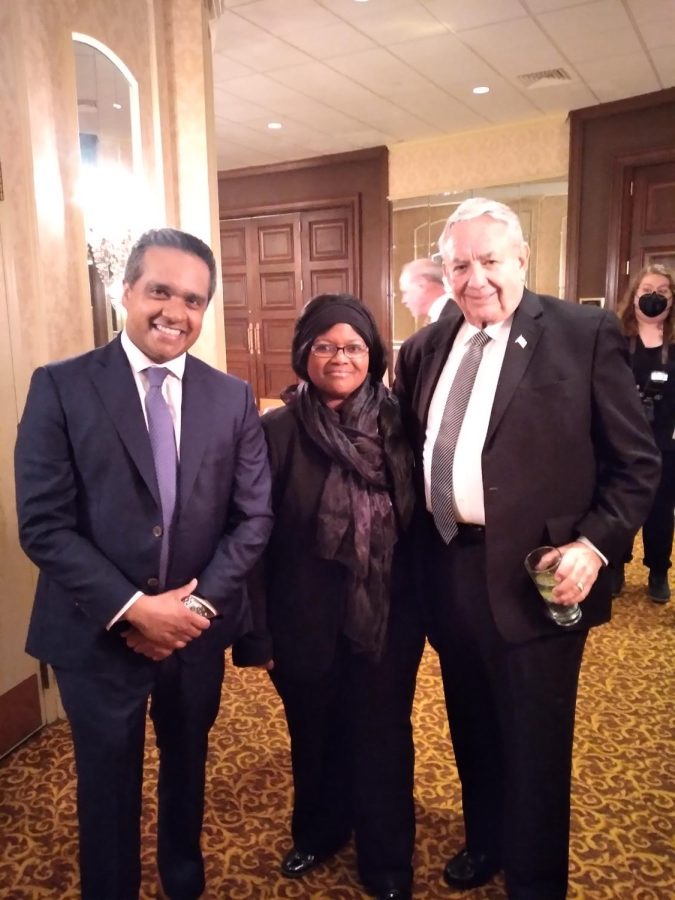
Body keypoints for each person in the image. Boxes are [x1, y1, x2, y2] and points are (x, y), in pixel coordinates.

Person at [393, 198, 660, 900]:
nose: (474, 277)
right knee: (471, 722)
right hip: (448, 567)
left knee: (536, 743)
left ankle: (536, 881)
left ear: (521, 260)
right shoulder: (426, 345)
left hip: (539, 576)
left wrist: (595, 546)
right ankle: (486, 841)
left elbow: (636, 464)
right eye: (459, 264)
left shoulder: (582, 332)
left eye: (489, 260)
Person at [14, 229, 273, 900]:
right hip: (95, 636)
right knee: (106, 787)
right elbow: (44, 524)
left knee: (188, 773)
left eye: (193, 299)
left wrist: (191, 611)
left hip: (194, 635)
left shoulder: (231, 397)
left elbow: (253, 520)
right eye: (159, 290)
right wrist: (135, 610)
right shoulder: (61, 387)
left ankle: (183, 883)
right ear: (126, 291)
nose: (174, 312)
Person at [233, 293, 424, 900]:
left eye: (353, 346)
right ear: (303, 354)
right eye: (324, 345)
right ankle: (319, 831)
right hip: (302, 620)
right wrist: (257, 633)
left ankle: (387, 859)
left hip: (388, 617)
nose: (339, 357)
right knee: (312, 730)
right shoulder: (276, 432)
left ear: (373, 355)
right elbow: (253, 537)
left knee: (382, 733)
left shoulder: (401, 424)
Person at [614, 263, 675, 602]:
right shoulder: (616, 336)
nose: (653, 297)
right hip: (621, 438)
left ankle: (658, 570)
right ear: (634, 295)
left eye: (662, 292)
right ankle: (617, 566)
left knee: (660, 510)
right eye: (647, 290)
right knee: (621, 504)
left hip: (666, 440)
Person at [399, 257, 452, 324]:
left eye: (405, 292)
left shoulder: (451, 319)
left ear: (422, 283)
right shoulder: (442, 316)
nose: (403, 301)